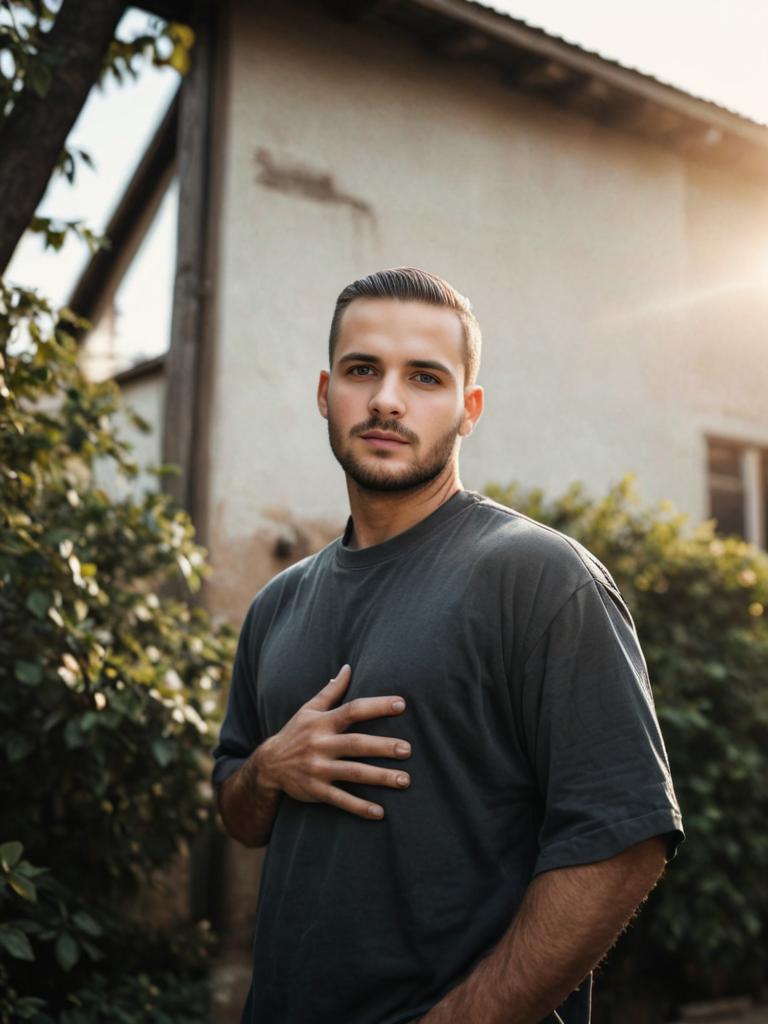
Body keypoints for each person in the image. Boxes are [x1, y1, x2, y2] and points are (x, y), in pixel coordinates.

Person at [211, 267, 684, 1024]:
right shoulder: (278, 604)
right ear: (325, 393)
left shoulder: (539, 577)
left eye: (424, 377)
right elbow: (238, 813)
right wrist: (269, 768)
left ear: (469, 409)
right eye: (363, 370)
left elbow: (621, 841)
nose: (387, 399)